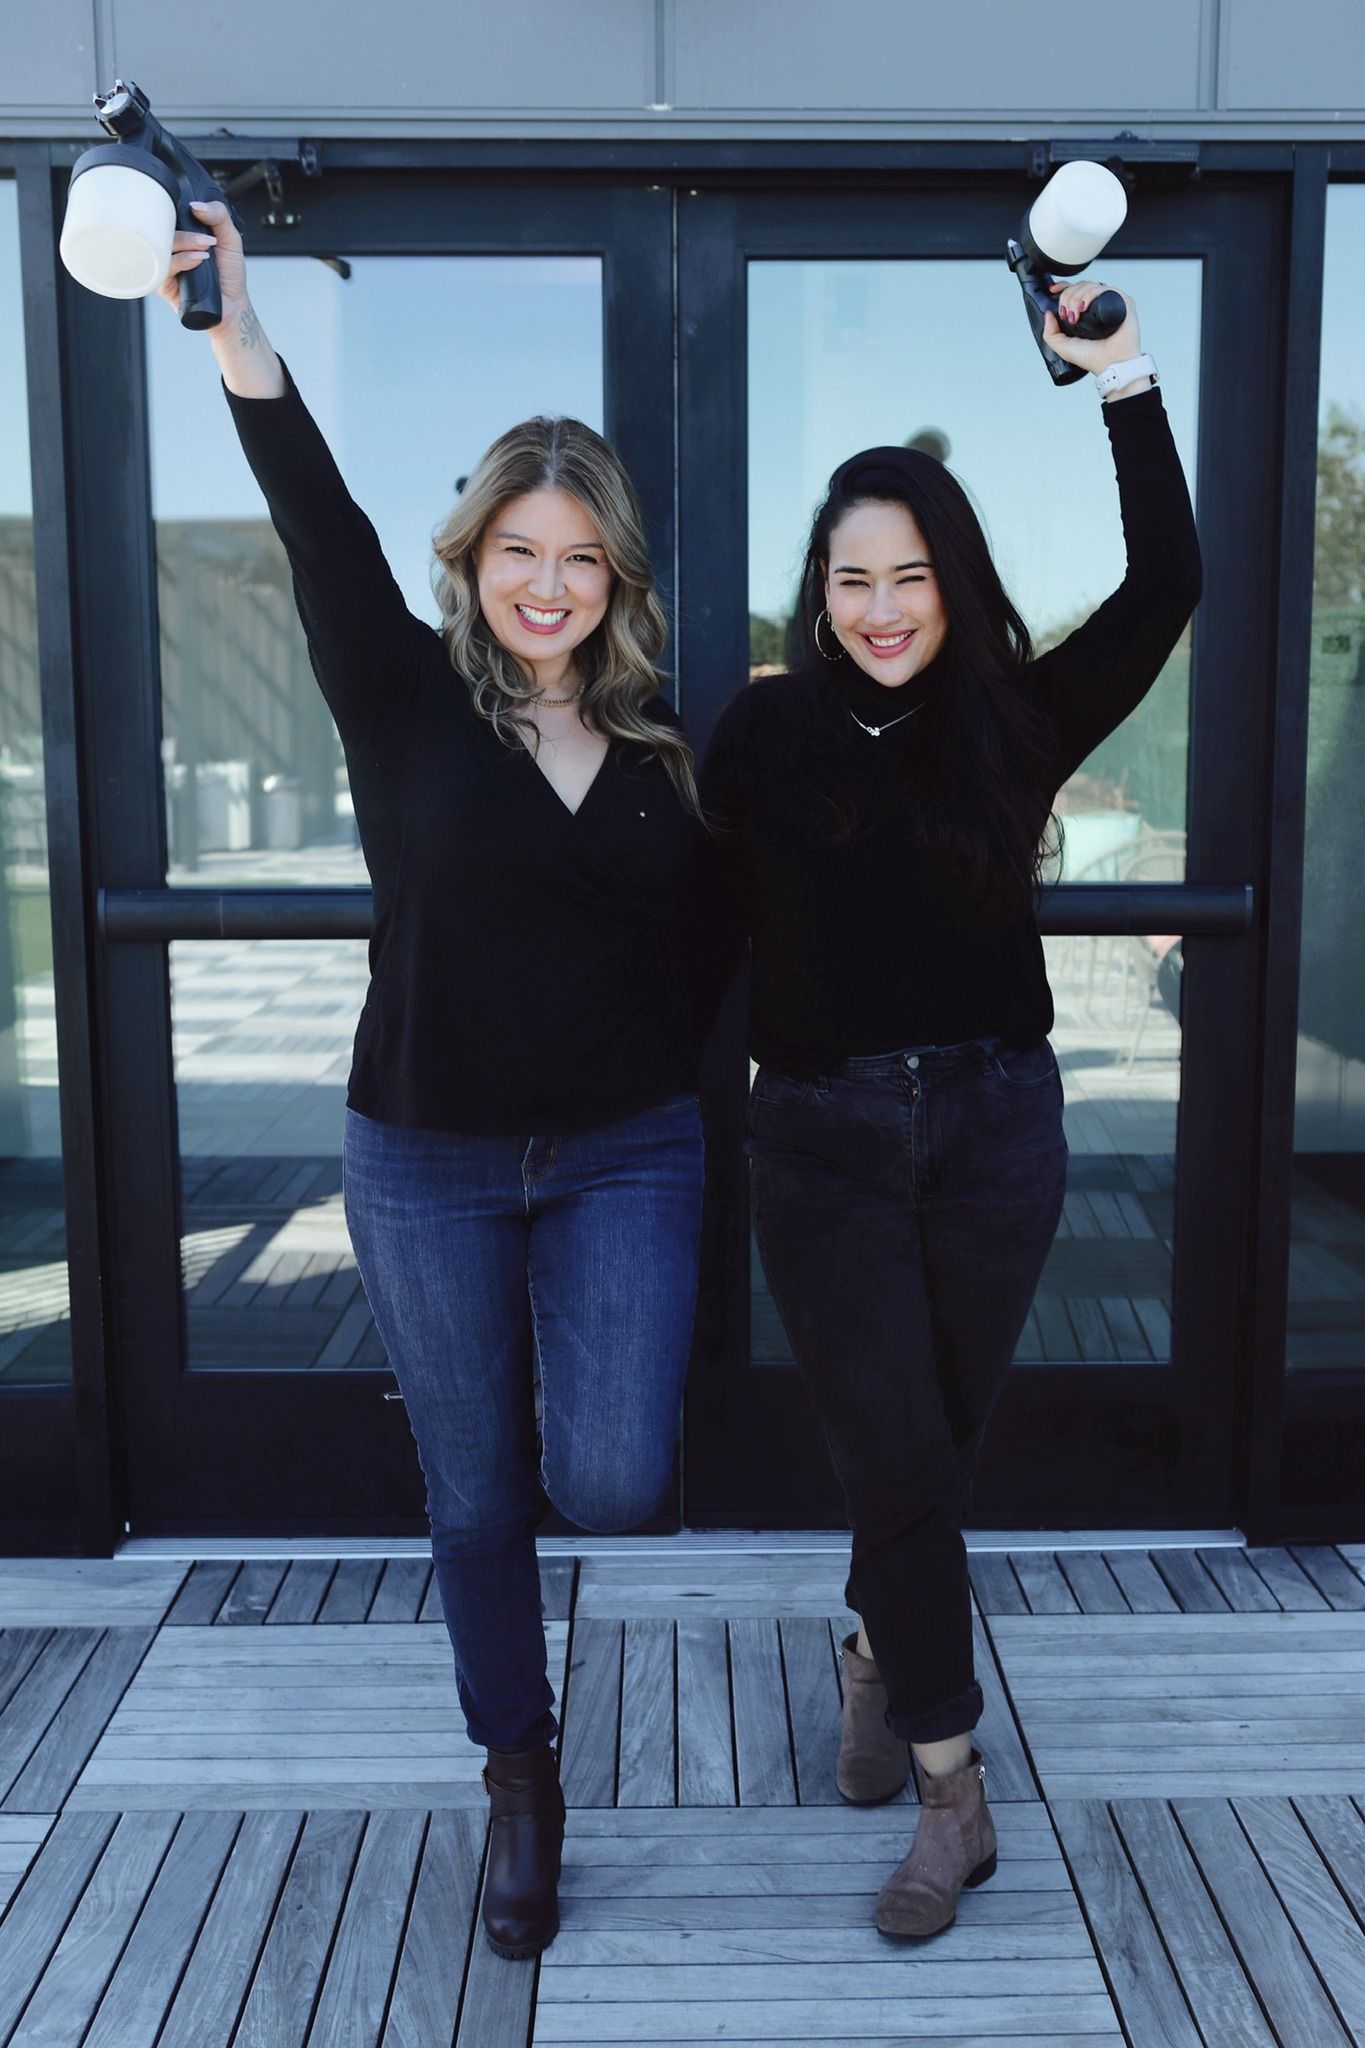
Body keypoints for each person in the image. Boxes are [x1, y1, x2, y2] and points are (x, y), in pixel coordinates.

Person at [164, 203, 708, 1959]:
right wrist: (239, 329)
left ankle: (546, 1390)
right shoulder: (399, 700)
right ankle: (520, 1781)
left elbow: (729, 937)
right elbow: (311, 515)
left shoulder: (662, 747)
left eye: (579, 560)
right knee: (473, 1493)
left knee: (613, 1476)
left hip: (628, 1152)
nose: (545, 585)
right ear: (473, 557)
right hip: (423, 1162)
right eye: (515, 551)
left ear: (615, 579)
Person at [700, 282, 1201, 1939]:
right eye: (853, 578)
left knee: (929, 1453)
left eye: (910, 575)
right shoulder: (760, 732)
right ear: (817, 588)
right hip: (821, 1142)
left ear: (952, 580)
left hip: (995, 1133)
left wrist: (1116, 375)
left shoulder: (1014, 720)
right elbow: (677, 920)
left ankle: (869, 1645)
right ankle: (950, 1790)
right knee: (899, 1456)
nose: (881, 606)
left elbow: (1170, 580)